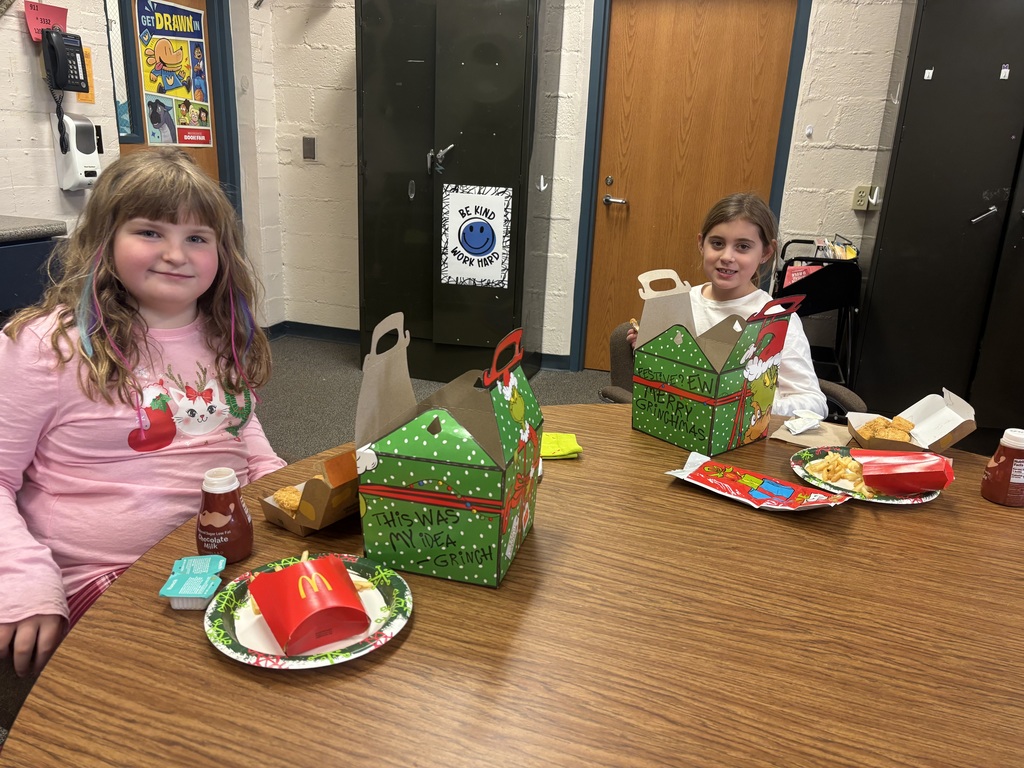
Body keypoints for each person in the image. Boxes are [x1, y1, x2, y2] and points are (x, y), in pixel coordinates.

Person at [0, 147, 286, 680]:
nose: (175, 254)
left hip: (228, 546)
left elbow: (236, 422)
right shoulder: (47, 346)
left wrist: (276, 480)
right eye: (150, 232)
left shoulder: (221, 331)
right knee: (185, 683)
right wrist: (21, 578)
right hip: (108, 571)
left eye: (197, 238)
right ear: (104, 240)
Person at [628, 192, 827, 418]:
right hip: (680, 424)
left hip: (744, 433)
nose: (727, 256)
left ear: (765, 252)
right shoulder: (678, 303)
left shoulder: (776, 319)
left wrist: (750, 404)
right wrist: (648, 349)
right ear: (701, 244)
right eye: (717, 243)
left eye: (743, 246)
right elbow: (667, 378)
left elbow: (815, 404)